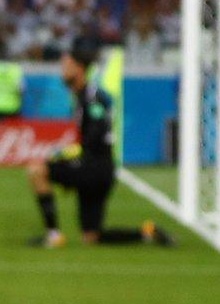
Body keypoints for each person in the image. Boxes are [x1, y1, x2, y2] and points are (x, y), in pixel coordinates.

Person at [29, 36, 173, 248]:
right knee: (92, 237)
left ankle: (53, 235)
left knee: (37, 170)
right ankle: (147, 232)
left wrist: (63, 155)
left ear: (79, 69)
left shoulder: (92, 99)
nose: (62, 71)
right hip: (97, 167)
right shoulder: (82, 96)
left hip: (95, 168)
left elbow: (95, 138)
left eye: (66, 66)